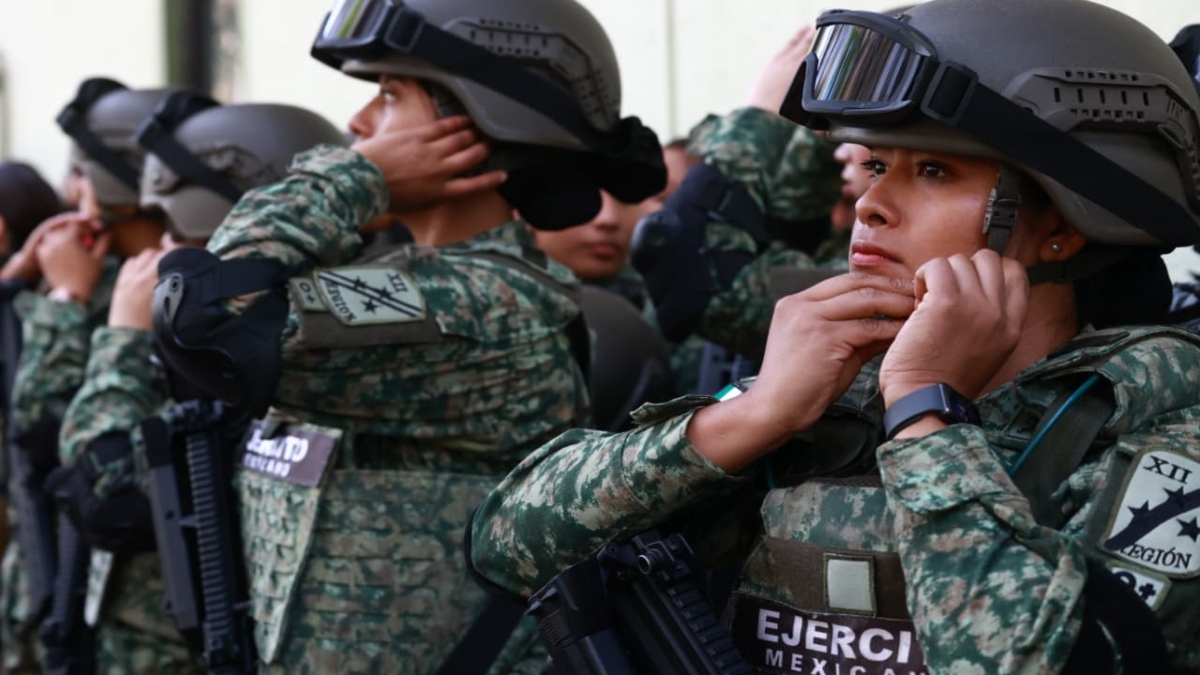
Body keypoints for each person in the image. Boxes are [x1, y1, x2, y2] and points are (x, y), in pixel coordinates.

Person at [471, 0, 1200, 672]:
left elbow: (1054, 657)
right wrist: (750, 414)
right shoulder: (834, 384)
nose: (871, 202)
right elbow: (506, 542)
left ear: (1067, 223)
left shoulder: (1158, 419)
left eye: (934, 170)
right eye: (877, 164)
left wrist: (925, 414)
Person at [156, 0, 665, 672]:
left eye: (390, 94)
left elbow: (207, 319)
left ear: (477, 121)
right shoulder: (410, 278)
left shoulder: (489, 302)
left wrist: (354, 177)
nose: (359, 125)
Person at [46, 95, 348, 675]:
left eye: (173, 232)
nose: (157, 254)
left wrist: (123, 336)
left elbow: (108, 497)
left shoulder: (270, 344)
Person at [0, 78, 177, 674]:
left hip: (143, 610)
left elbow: (47, 435)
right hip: (66, 587)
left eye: (80, 172)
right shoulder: (101, 274)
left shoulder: (142, 291)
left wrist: (67, 298)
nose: (70, 189)